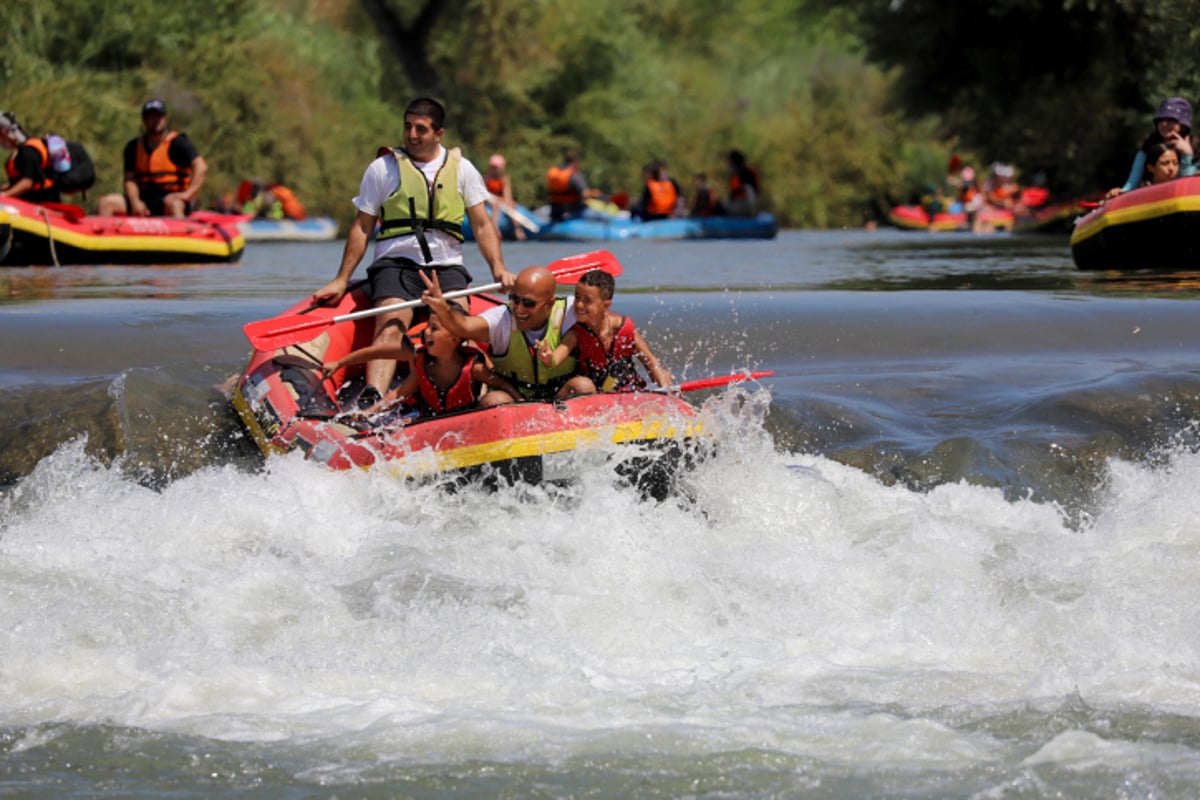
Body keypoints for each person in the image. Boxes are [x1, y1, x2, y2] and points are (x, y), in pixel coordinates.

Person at [313, 97, 515, 408]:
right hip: (396, 265)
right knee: (391, 324)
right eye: (408, 127)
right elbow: (362, 227)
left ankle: (471, 399)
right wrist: (342, 279)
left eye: (421, 129)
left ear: (439, 133)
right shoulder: (383, 168)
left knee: (460, 326)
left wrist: (498, 269)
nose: (412, 135)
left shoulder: (463, 170)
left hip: (446, 267)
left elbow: (483, 225)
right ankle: (373, 398)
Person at [323, 306, 520, 416]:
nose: (425, 332)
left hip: (465, 422)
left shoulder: (474, 367)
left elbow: (501, 382)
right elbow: (397, 392)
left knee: (495, 399)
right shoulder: (421, 360)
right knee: (407, 420)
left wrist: (520, 402)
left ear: (454, 338)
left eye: (434, 328)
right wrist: (340, 364)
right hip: (429, 420)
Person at [420, 264, 576, 402]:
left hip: (559, 397)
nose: (519, 309)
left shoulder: (570, 311)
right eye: (515, 299)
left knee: (582, 385)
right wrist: (442, 308)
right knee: (495, 399)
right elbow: (464, 327)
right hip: (514, 400)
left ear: (549, 304)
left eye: (529, 303)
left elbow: (598, 310)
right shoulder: (501, 319)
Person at [536, 268, 672, 396]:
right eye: (577, 297)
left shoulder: (624, 328)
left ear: (605, 305)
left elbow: (650, 361)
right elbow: (555, 360)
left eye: (587, 301)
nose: (578, 305)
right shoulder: (576, 334)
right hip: (590, 394)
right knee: (583, 385)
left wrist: (666, 391)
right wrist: (548, 357)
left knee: (664, 374)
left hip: (626, 391)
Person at [97, 99, 208, 218]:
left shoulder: (178, 143)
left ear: (165, 119)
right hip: (144, 199)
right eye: (151, 117)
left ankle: (180, 233)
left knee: (175, 204)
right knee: (106, 203)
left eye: (158, 116)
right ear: (144, 120)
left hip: (170, 198)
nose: (155, 121)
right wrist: (135, 202)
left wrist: (187, 194)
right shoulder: (133, 147)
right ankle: (104, 235)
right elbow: (130, 180)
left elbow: (201, 166)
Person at [1106, 97, 1196, 199]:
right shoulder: (1148, 147)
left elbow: (1186, 187)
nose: (1164, 124)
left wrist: (1187, 155)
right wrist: (1120, 193)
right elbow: (1131, 184)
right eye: (1161, 120)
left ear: (1183, 126)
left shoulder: (1196, 150)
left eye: (1171, 120)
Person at [0, 112, 62, 204]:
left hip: (42, 203)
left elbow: (26, 183)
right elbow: (19, 181)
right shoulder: (23, 150)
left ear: (4, 132)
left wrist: (4, 196)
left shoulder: (27, 152)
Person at [545, 147, 603, 222]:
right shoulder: (574, 175)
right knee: (603, 216)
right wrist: (595, 193)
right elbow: (585, 194)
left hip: (555, 212)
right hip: (573, 212)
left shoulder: (554, 173)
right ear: (576, 161)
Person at [483, 153, 525, 240]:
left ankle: (518, 229)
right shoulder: (486, 178)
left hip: (500, 200)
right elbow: (483, 193)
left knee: (512, 205)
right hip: (488, 200)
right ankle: (495, 229)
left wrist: (508, 202)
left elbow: (507, 195)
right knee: (495, 205)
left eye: (496, 168)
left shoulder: (504, 179)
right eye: (493, 167)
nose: (494, 170)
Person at [237, 178, 307, 220]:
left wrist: (253, 213)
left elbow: (257, 208)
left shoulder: (268, 195)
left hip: (276, 217)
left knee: (262, 213)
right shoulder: (283, 192)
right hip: (293, 215)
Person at [723, 149, 760, 216]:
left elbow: (735, 193)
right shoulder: (749, 171)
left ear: (733, 161)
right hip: (748, 205)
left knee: (721, 206)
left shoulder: (739, 173)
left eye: (729, 160)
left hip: (743, 206)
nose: (728, 163)